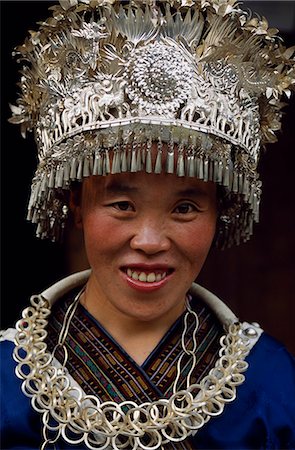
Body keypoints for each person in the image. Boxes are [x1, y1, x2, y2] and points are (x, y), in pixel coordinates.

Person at [1, 1, 295, 449]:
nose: (150, 241)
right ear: (77, 206)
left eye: (184, 209)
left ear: (221, 214)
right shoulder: (7, 381)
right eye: (121, 204)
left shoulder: (270, 383)